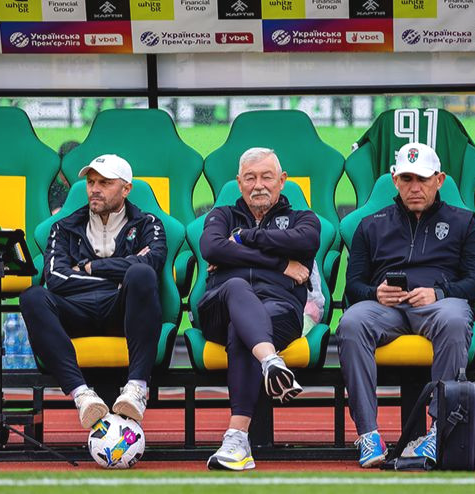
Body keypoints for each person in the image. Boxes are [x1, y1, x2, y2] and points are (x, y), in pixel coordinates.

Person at [338, 142, 475, 468]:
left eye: (423, 178)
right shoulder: (370, 224)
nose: (414, 187)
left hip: (438, 307)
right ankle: (368, 434)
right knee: (350, 322)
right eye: (407, 179)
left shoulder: (464, 222)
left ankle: (439, 431)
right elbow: (353, 285)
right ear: (395, 180)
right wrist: (375, 293)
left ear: (439, 180)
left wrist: (439, 292)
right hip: (385, 310)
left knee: (454, 319)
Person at [20, 154, 165, 429]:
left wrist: (89, 267)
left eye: (105, 183)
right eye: (91, 182)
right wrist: (117, 277)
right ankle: (82, 395)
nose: (94, 189)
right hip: (76, 310)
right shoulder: (63, 227)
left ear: (126, 189)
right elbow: (57, 279)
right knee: (32, 296)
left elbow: (150, 265)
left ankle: (136, 388)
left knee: (141, 275)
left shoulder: (148, 224)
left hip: (122, 311)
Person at [199, 147, 320, 471]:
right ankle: (270, 361)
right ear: (239, 183)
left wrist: (243, 239)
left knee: (242, 328)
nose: (258, 185)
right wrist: (280, 263)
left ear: (282, 180)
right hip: (218, 306)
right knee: (237, 287)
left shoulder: (303, 219)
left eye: (267, 177)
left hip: (279, 311)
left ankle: (237, 439)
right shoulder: (221, 216)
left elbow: (305, 242)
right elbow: (211, 246)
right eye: (250, 178)